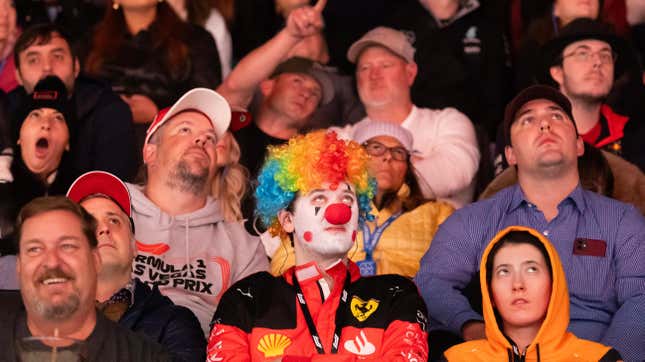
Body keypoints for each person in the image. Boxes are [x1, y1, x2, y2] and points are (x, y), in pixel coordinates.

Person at [415, 85, 645, 360]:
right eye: (528, 120)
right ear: (510, 154)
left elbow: (640, 299)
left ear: (579, 144)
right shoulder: (474, 220)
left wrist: (611, 358)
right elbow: (430, 282)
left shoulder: (621, 220)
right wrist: (470, 325)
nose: (545, 125)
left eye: (557, 116)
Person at [208, 130, 429, 360]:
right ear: (288, 220)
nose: (338, 212)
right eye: (319, 198)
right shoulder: (248, 297)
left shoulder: (396, 294)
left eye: (347, 199)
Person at [127, 87, 268, 337]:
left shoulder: (243, 244)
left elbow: (259, 331)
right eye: (185, 129)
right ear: (150, 152)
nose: (202, 140)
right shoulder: (113, 210)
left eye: (210, 138)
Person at [270, 121, 454, 278]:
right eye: (376, 148)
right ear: (356, 162)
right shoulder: (321, 206)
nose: (388, 156)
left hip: (408, 305)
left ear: (407, 169)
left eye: (398, 152)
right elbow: (284, 262)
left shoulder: (438, 213)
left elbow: (452, 273)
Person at [0, 196, 170, 360]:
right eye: (35, 249)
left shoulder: (145, 356)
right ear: (19, 266)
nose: (52, 261)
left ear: (95, 260)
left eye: (68, 246)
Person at [66, 171, 206, 361]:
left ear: (134, 246)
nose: (104, 228)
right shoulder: (43, 313)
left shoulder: (173, 322)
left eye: (114, 220)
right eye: (89, 223)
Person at [343, 26, 480, 208]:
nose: (374, 75)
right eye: (365, 68)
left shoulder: (448, 122)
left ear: (410, 73)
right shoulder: (342, 137)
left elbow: (454, 173)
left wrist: (364, 174)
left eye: (385, 65)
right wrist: (410, 169)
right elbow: (327, 190)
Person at [444, 226, 622, 361]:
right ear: (490, 294)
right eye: (504, 272)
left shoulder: (599, 358)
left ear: (554, 285)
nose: (518, 284)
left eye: (531, 269)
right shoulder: (455, 359)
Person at [83, 0, 221, 166]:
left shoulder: (195, 39)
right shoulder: (89, 43)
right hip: (105, 138)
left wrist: (158, 111)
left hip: (173, 142)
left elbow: (206, 99)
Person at [7, 23, 137, 181]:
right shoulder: (6, 110)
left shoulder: (109, 111)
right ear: (18, 76)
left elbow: (114, 188)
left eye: (57, 57)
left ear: (76, 67)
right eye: (33, 60)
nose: (47, 67)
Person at [544, 18, 645, 171]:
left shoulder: (634, 136)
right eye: (583, 53)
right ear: (557, 72)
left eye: (605, 55)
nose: (598, 61)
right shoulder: (531, 135)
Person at [0, 76, 77, 254]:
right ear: (19, 136)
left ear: (68, 143)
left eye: (58, 118)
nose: (46, 125)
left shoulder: (81, 192)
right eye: (35, 115)